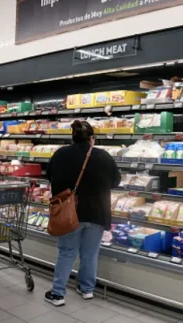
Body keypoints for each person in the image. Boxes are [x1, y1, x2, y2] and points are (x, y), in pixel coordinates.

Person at [44, 120, 121, 306]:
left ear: (73, 136)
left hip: (70, 213)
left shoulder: (60, 154)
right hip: (97, 213)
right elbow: (116, 181)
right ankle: (87, 289)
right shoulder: (103, 156)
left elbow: (49, 176)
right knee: (90, 253)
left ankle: (58, 294)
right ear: (92, 138)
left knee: (67, 252)